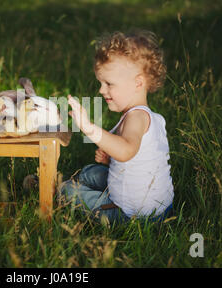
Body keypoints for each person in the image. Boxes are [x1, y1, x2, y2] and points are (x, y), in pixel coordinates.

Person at [59, 30, 174, 224]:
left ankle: (53, 187)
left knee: (69, 192)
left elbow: (127, 150)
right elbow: (139, 159)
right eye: (100, 83)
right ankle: (75, 181)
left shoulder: (136, 117)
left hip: (132, 214)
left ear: (138, 83)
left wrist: (89, 128)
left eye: (108, 84)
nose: (101, 90)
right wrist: (110, 158)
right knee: (92, 172)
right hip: (160, 207)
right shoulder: (150, 117)